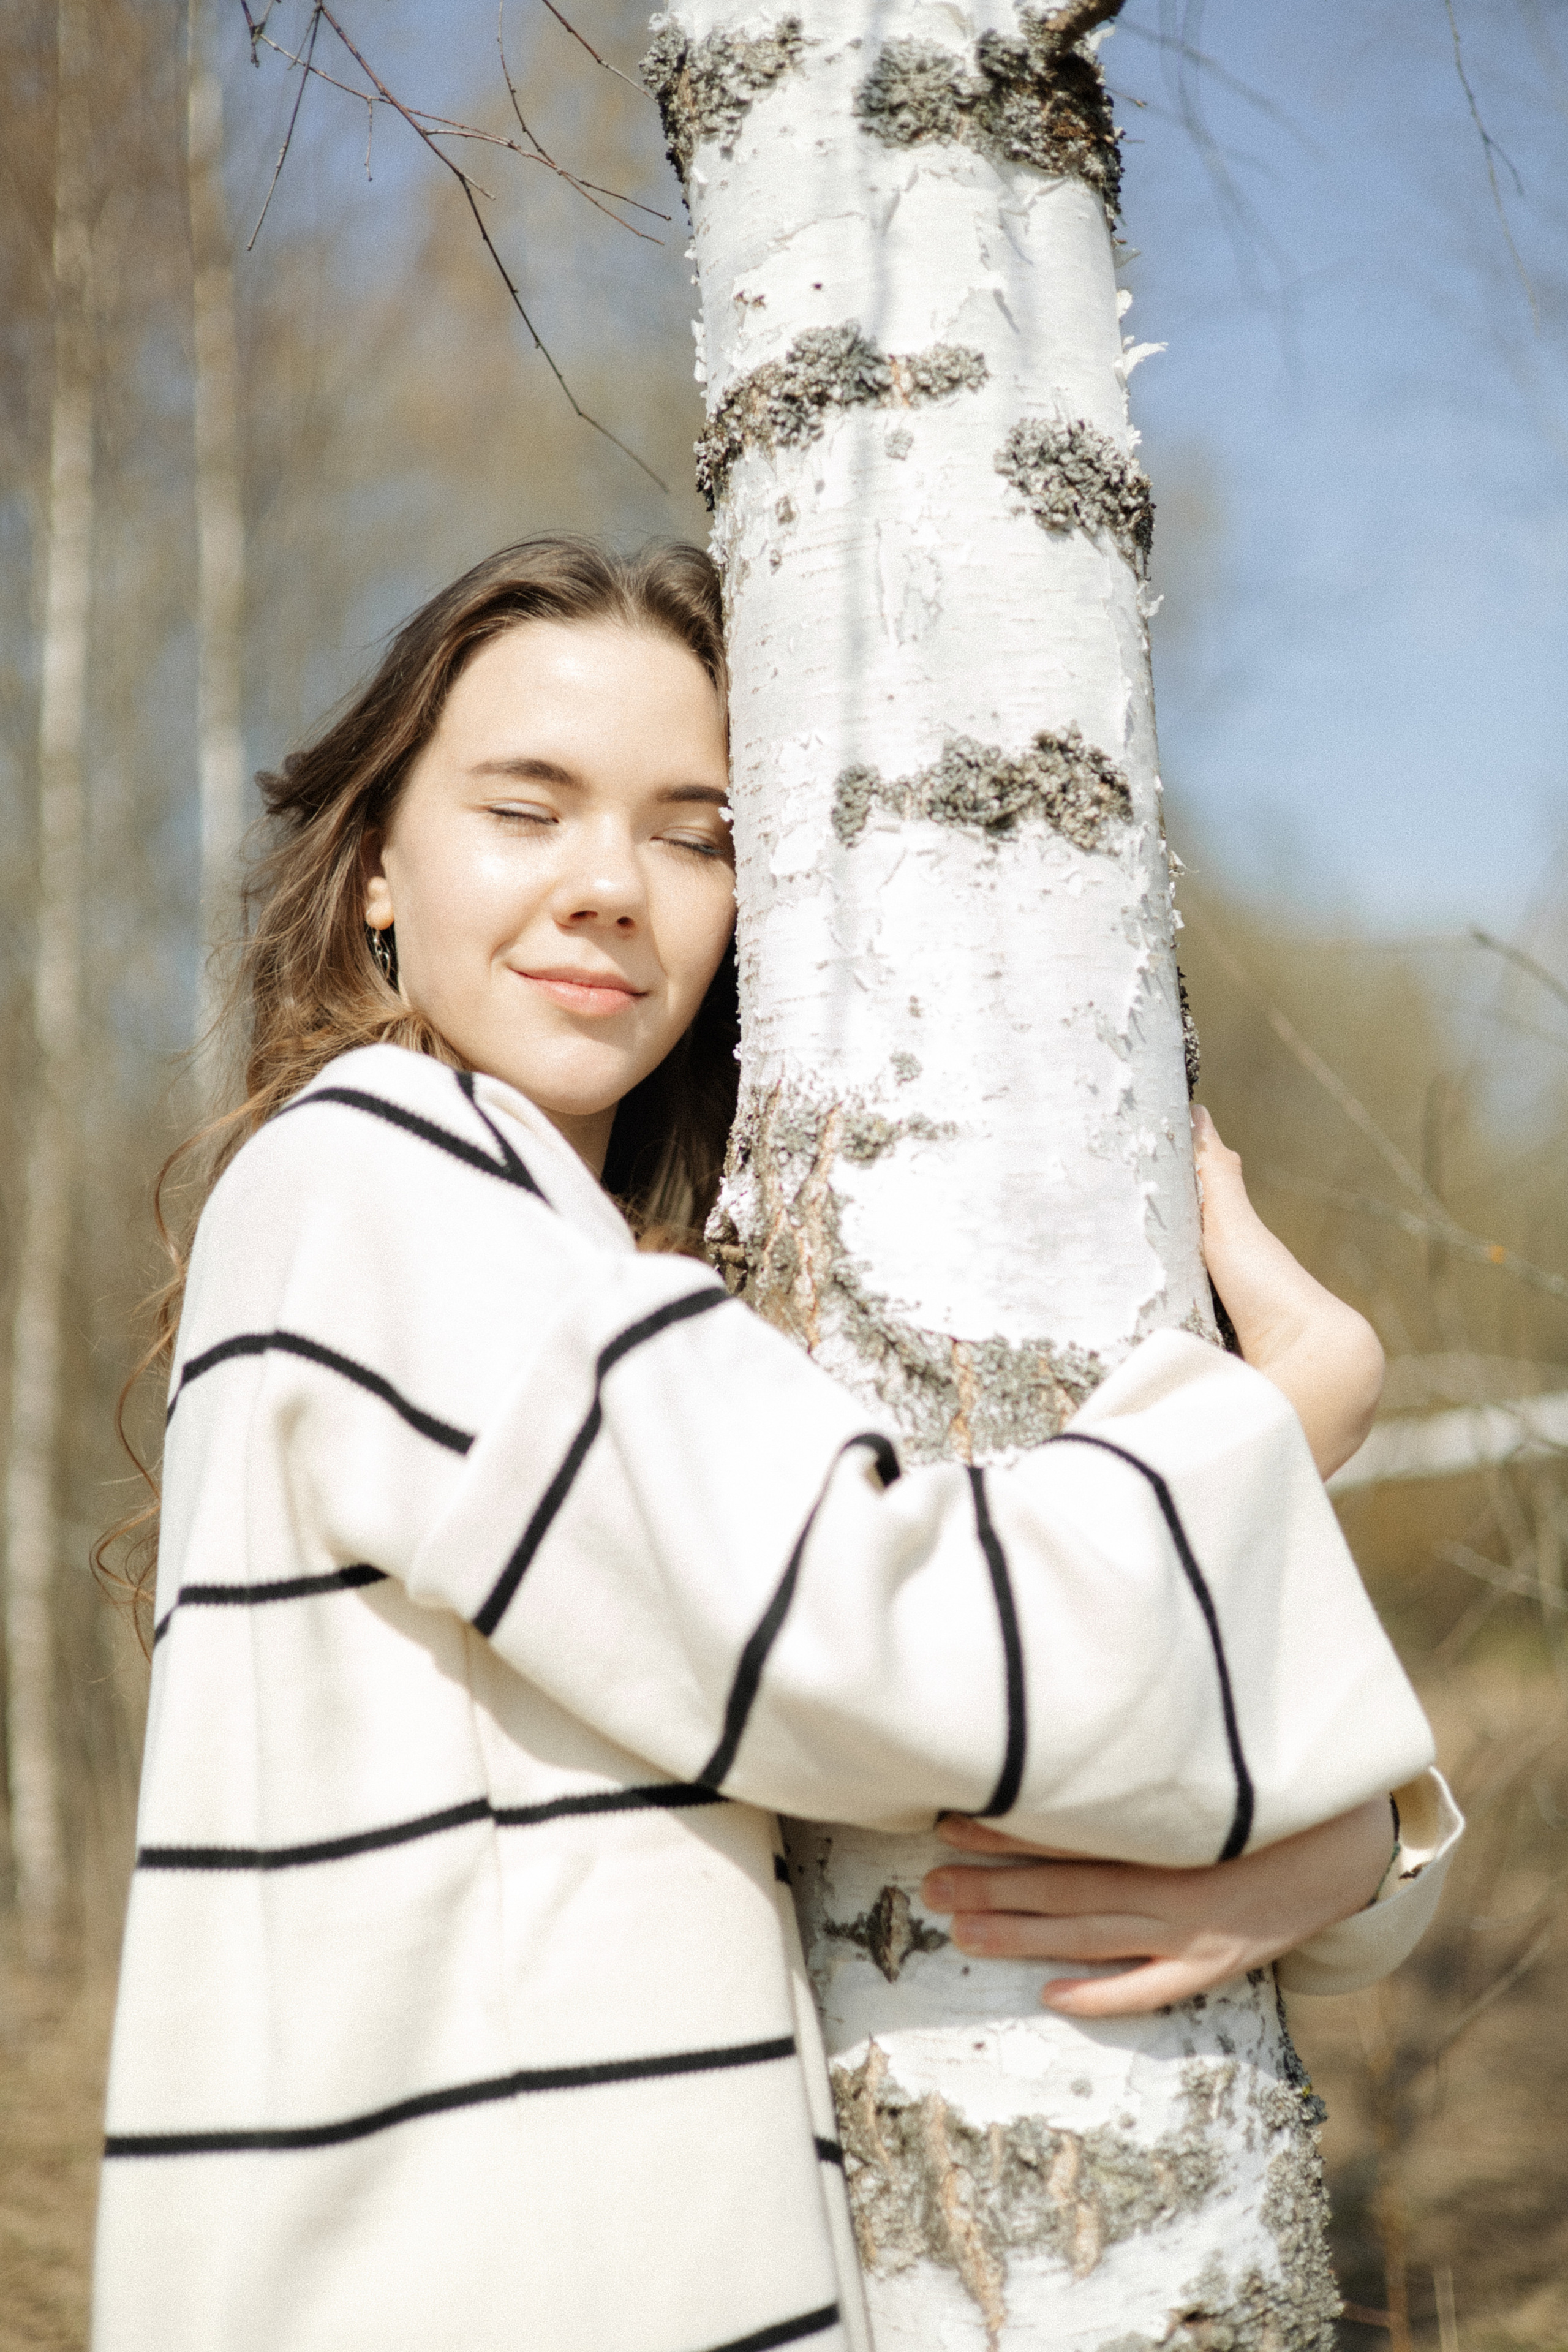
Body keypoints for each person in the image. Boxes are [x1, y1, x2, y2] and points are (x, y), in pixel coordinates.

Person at [93, 539, 1459, 2352]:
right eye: (527, 808)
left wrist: (1351, 1852)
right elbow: (858, 1631)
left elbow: (879, 1763)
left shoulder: (578, 1264)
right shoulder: (379, 1172)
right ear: (373, 877)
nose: (609, 887)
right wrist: (1285, 1422)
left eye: (693, 831)